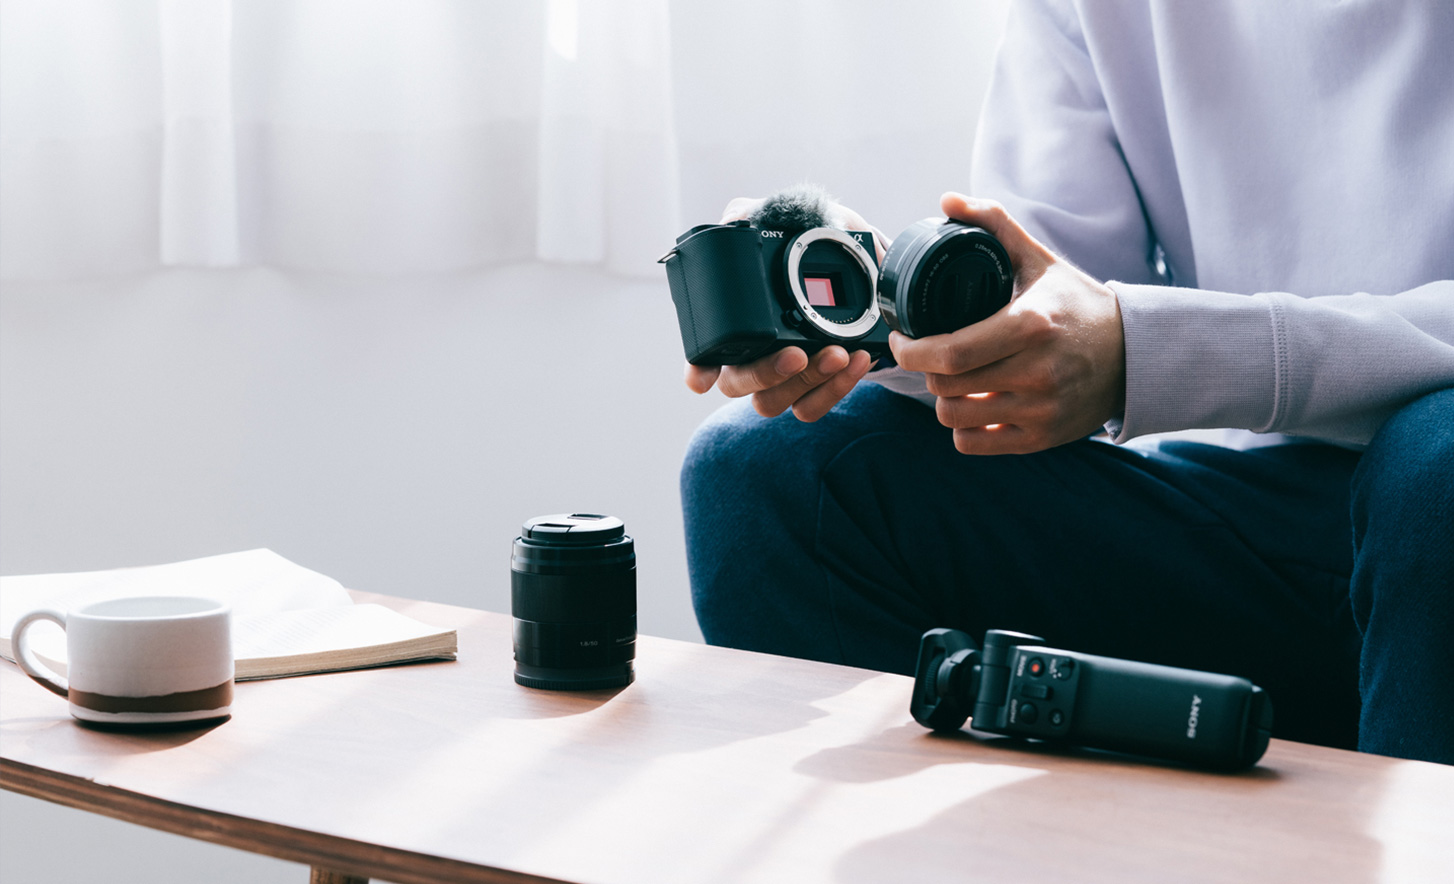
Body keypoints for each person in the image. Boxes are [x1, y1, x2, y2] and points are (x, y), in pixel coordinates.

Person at [678, 1, 1454, 765]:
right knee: (769, 465)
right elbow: (1048, 309)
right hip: (1262, 524)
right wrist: (888, 317)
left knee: (1434, 466)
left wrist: (1151, 349)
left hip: (1429, 499)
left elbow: (1125, 341)